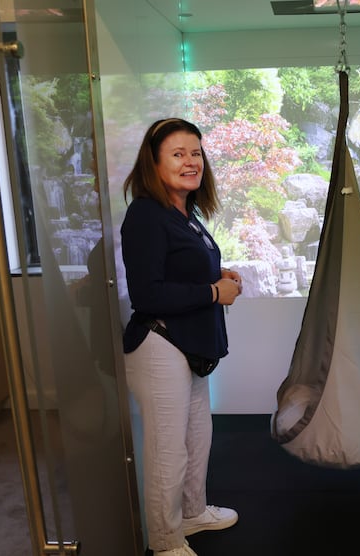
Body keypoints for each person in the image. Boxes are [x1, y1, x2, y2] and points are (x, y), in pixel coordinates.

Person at [120, 118, 242, 556]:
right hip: (160, 344)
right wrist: (213, 291)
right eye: (178, 154)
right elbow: (146, 294)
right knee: (167, 451)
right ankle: (166, 540)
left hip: (189, 345)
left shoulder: (185, 213)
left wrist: (216, 273)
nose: (191, 162)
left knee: (196, 438)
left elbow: (175, 268)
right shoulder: (145, 214)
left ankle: (191, 513)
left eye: (196, 153)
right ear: (153, 164)